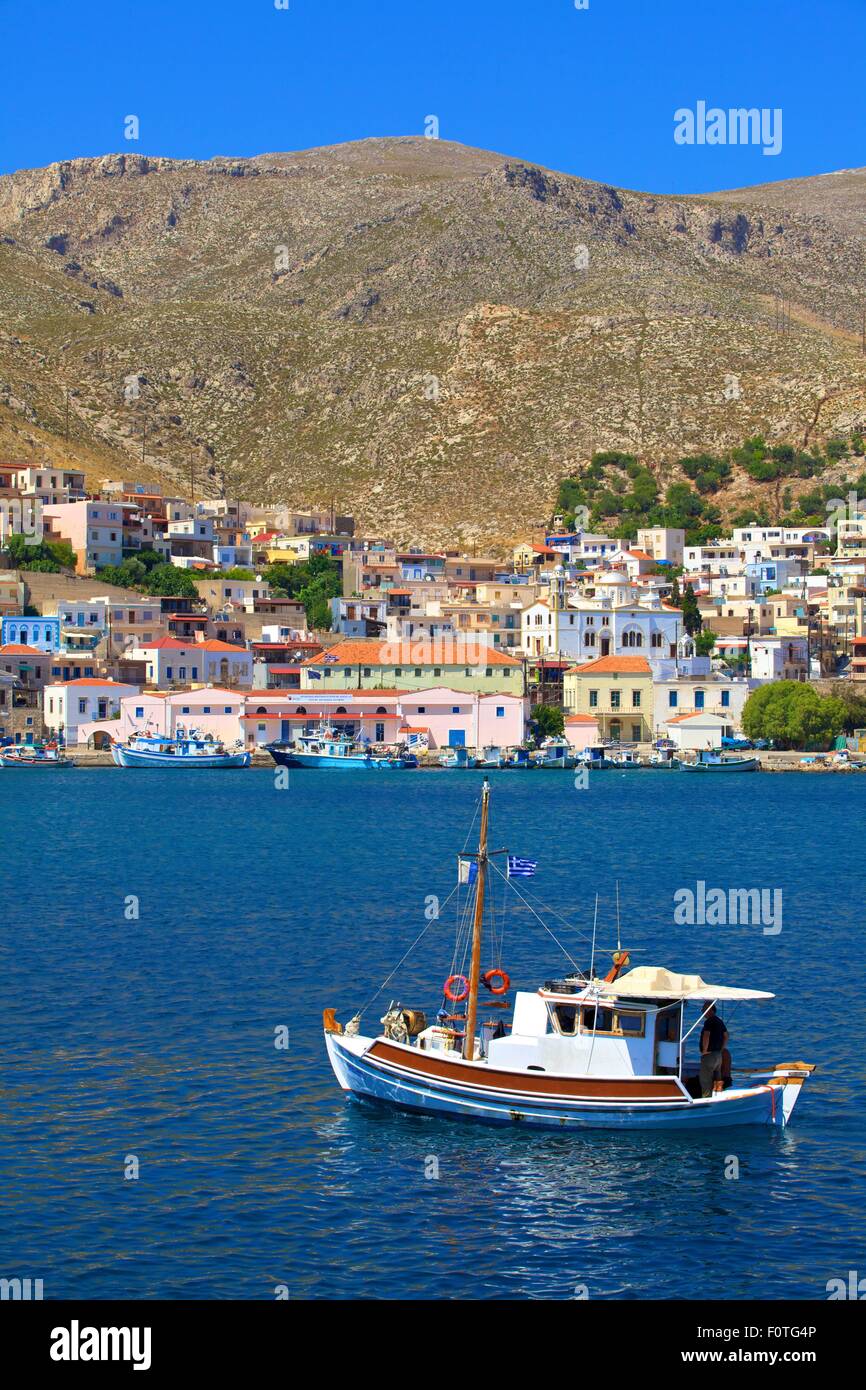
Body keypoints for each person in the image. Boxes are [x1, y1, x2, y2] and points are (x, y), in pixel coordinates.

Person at [699, 1002, 728, 1098]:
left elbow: (706, 1035)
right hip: (718, 1055)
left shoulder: (709, 1021)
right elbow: (726, 1035)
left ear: (710, 1010)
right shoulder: (719, 1021)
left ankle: (706, 1099)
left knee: (706, 1080)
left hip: (709, 1055)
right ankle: (718, 1097)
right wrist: (721, 1049)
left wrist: (704, 1050)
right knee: (717, 1079)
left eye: (704, 1009)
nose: (702, 1011)